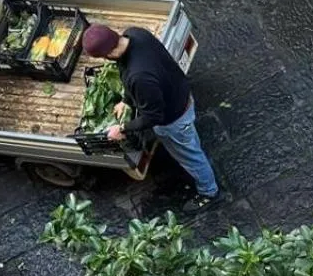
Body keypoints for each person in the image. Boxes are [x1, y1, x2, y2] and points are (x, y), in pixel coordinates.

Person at [82, 23, 219, 209]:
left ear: (110, 53)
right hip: (180, 94)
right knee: (188, 142)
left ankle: (208, 191)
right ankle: (190, 141)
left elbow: (154, 117)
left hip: (174, 119)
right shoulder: (135, 33)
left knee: (191, 157)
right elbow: (125, 69)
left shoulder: (140, 77)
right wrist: (126, 101)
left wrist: (122, 129)